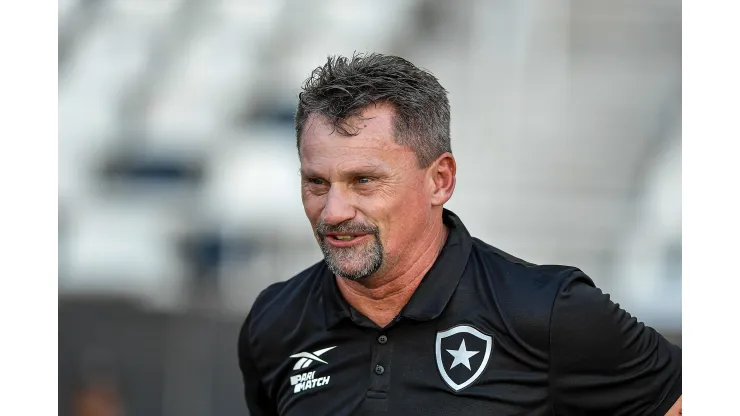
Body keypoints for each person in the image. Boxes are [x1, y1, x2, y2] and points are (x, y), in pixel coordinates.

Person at [237, 53, 682, 416]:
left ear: (440, 180)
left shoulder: (548, 310)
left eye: (364, 181)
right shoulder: (274, 322)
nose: (332, 211)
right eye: (316, 183)